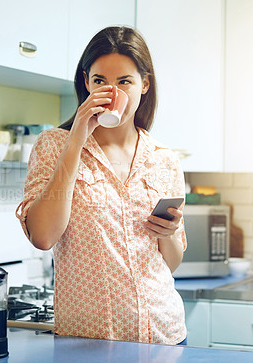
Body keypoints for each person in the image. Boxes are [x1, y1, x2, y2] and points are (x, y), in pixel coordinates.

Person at [16, 26, 187, 345]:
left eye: (124, 81)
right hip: (89, 341)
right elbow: (42, 236)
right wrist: (77, 137)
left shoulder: (165, 159)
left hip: (166, 335)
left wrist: (169, 234)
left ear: (144, 84)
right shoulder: (54, 145)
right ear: (86, 83)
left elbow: (172, 262)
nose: (111, 92)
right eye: (100, 81)